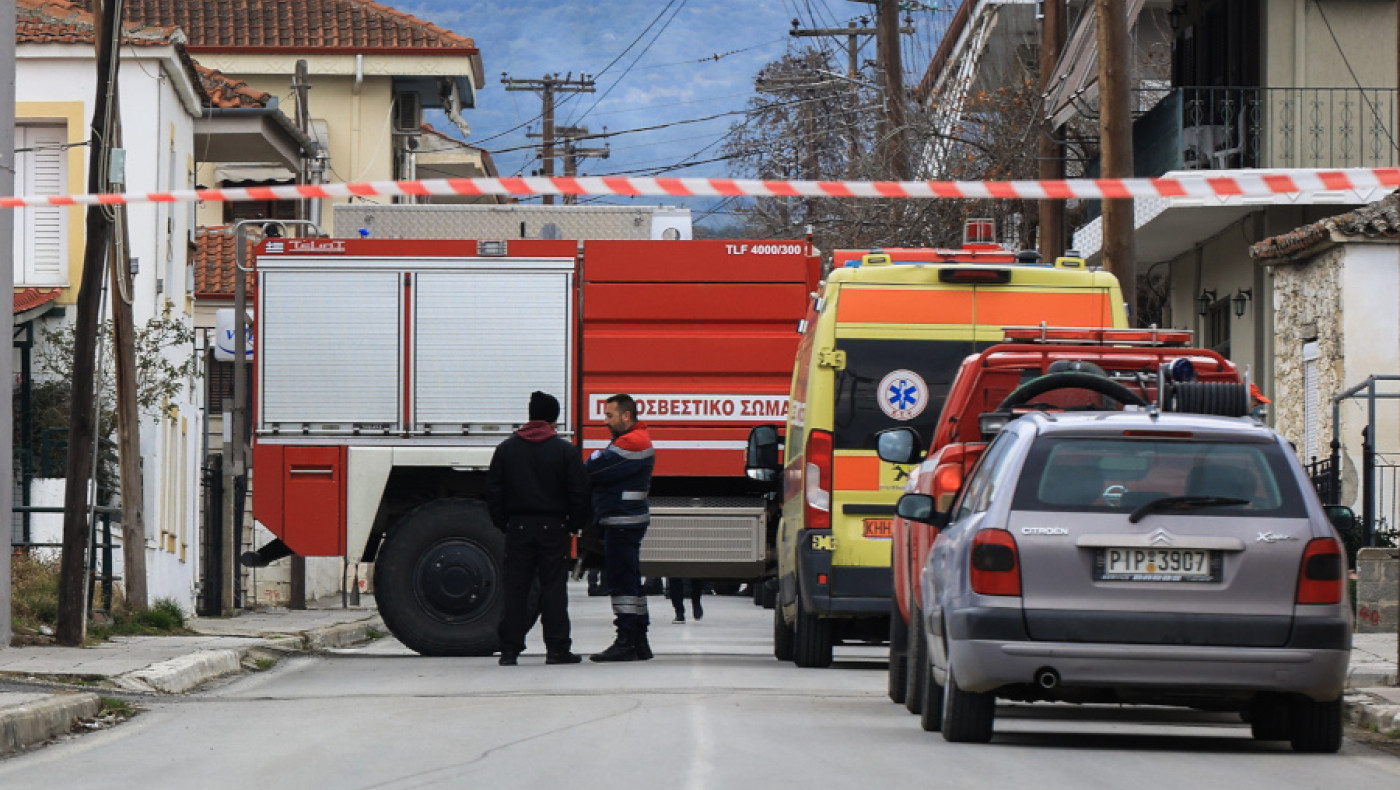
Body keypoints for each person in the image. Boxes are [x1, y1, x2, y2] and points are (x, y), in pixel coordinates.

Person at [487, 391, 590, 666]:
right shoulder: (565, 451)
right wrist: (575, 524)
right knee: (553, 588)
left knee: (516, 589)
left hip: (518, 527)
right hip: (554, 527)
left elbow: (494, 490)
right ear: (554, 418)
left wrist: (503, 522)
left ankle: (509, 650)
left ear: (530, 415)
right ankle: (557, 649)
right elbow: (579, 492)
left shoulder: (506, 449)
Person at [586, 394, 656, 662]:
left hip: (622, 521)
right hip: (626, 520)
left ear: (626, 416)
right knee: (631, 581)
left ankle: (626, 640)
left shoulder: (631, 442)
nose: (605, 421)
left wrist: (595, 457)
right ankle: (639, 640)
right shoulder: (636, 439)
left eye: (609, 415)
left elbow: (593, 469)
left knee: (622, 582)